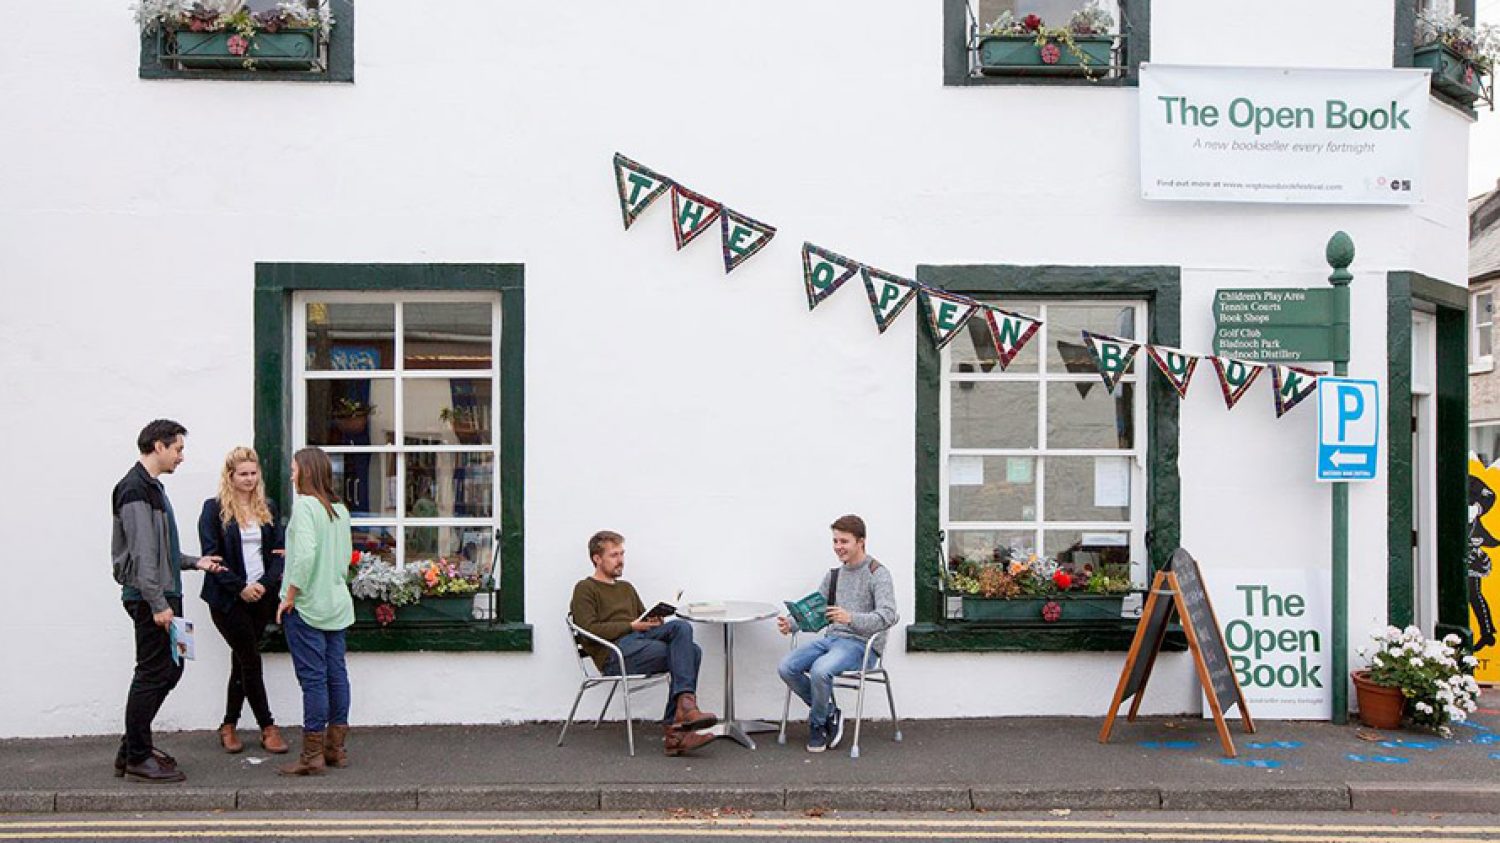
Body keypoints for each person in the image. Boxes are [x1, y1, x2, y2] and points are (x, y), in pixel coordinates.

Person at [111, 419, 224, 783]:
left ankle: (133, 747)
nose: (182, 457)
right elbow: (144, 556)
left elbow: (161, 550)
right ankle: (137, 757)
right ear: (158, 446)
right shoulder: (135, 490)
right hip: (150, 597)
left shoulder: (152, 488)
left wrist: (195, 562)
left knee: (169, 668)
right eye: (178, 449)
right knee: (152, 672)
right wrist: (158, 604)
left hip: (161, 592)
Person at [569, 530, 718, 756]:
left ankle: (683, 715)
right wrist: (631, 626)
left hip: (639, 642)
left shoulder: (626, 588)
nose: (620, 560)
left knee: (682, 629)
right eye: (614, 555)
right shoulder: (585, 588)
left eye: (622, 554)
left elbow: (640, 619)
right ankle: (678, 729)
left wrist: (653, 621)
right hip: (615, 654)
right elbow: (589, 630)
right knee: (690, 653)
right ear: (597, 559)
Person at [777, 514, 899, 753]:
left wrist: (850, 618)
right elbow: (816, 610)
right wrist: (790, 624)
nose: (838, 547)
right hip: (832, 640)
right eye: (835, 541)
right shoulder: (834, 575)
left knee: (821, 669)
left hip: (861, 645)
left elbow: (888, 616)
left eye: (844, 541)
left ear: (861, 542)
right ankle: (830, 713)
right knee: (786, 667)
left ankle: (817, 724)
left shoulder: (878, 573)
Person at [198, 447, 289, 756]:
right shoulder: (214, 510)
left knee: (241, 661)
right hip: (227, 599)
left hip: (261, 597)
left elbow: (279, 554)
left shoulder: (269, 507)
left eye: (253, 473)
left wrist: (263, 585)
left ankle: (228, 725)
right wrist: (240, 588)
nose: (249, 479)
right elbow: (213, 558)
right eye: (243, 474)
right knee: (250, 659)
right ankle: (268, 727)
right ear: (230, 477)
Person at [275, 447, 355, 776]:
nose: (291, 475)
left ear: (306, 471)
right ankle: (335, 748)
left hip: (307, 606)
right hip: (336, 603)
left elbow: (307, 556)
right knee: (337, 676)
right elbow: (343, 556)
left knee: (313, 681)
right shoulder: (339, 509)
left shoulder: (306, 506)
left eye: (294, 469)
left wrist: (290, 595)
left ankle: (311, 756)